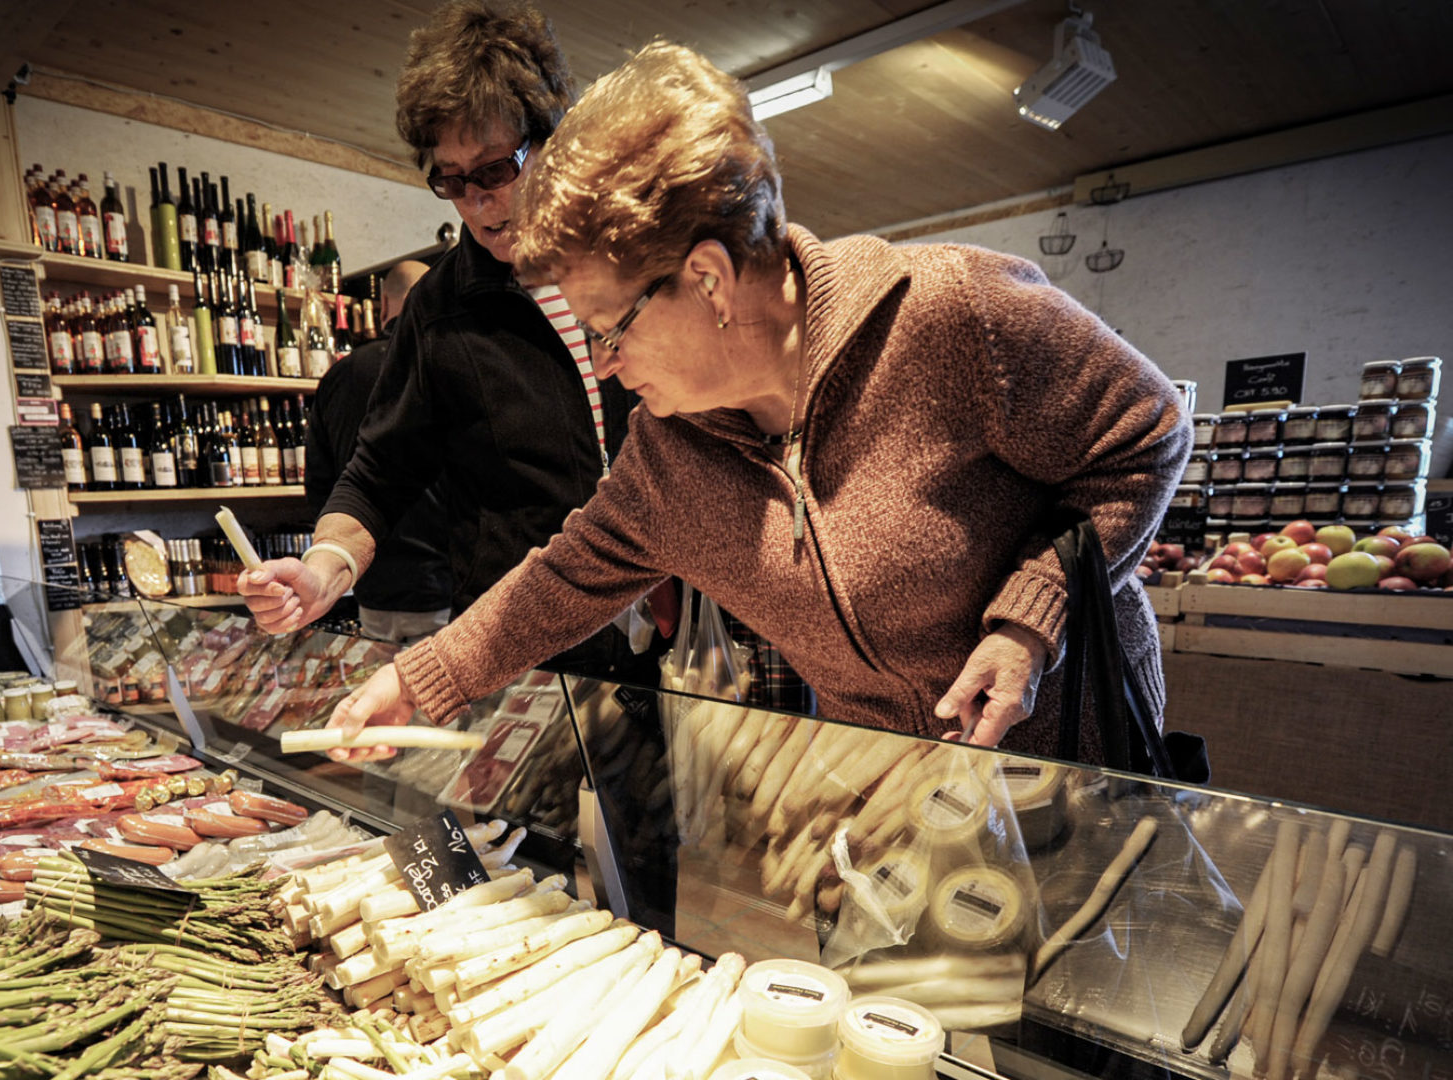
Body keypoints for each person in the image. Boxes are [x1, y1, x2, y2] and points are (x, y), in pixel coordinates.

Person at [319, 42, 1191, 763]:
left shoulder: (951, 314)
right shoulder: (671, 450)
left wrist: (1028, 623)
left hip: (1080, 759)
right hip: (899, 782)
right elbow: (564, 578)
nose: (610, 368)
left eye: (609, 330)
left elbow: (1144, 437)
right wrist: (416, 680)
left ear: (706, 279)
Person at [238, 0, 657, 681]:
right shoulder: (441, 309)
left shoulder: (637, 255)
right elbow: (378, 473)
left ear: (553, 138)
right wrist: (324, 572)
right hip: (530, 658)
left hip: (677, 642)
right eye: (450, 181)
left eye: (495, 170)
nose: (477, 202)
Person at [305, 261, 452, 643]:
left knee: (382, 699)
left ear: (383, 306)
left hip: (368, 587)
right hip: (442, 589)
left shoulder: (338, 376)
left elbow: (320, 489)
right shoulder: (444, 366)